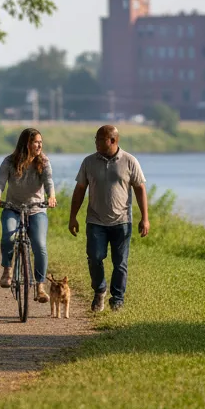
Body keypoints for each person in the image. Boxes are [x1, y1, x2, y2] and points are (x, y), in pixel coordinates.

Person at [68, 125, 149, 313]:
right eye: (95, 139)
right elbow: (80, 190)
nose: (96, 142)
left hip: (122, 221)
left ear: (112, 141)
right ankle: (100, 290)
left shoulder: (130, 161)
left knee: (120, 262)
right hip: (95, 221)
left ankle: (117, 299)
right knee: (95, 258)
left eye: (99, 139)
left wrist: (145, 218)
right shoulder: (88, 162)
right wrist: (73, 217)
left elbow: (140, 189)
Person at [0, 127, 56, 303]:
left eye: (41, 142)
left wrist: (51, 196)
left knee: (40, 246)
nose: (40, 145)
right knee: (8, 236)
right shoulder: (9, 161)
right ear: (26, 144)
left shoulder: (43, 161)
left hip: (36, 210)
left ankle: (40, 287)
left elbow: (48, 181)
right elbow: (0, 181)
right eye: (36, 142)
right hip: (12, 208)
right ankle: (8, 269)